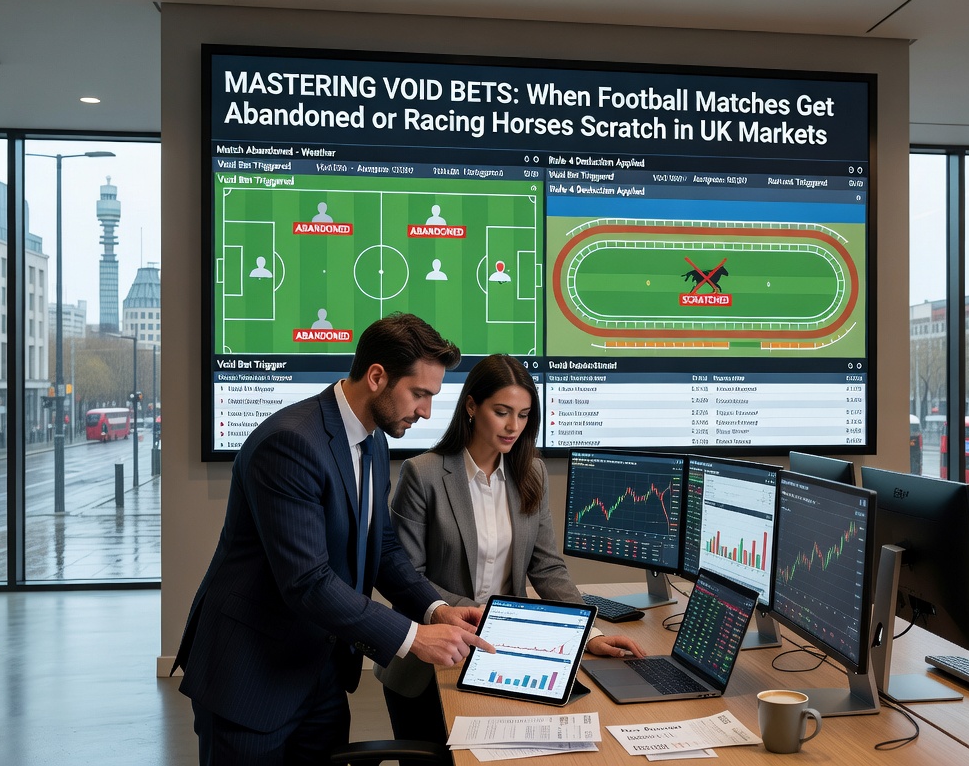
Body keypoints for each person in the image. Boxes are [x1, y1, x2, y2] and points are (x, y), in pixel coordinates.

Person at [173, 313, 493, 766]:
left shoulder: (373, 441)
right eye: (419, 393)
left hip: (319, 669)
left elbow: (382, 547)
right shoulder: (290, 443)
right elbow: (308, 581)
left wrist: (436, 610)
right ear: (377, 377)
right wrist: (414, 636)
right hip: (250, 674)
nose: (426, 411)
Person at [377, 354, 646, 742]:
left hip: (506, 658)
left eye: (523, 415)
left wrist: (590, 634)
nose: (513, 426)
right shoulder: (423, 474)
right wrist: (485, 615)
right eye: (502, 412)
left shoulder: (531, 472)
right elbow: (407, 578)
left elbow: (548, 568)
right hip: (430, 663)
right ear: (472, 406)